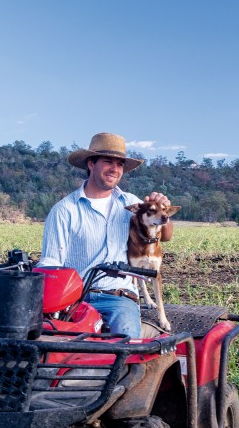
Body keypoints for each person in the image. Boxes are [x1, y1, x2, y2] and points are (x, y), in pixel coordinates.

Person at [38, 132, 173, 337]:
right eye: (108, 161)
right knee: (57, 350)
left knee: (126, 346)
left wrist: (164, 209)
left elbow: (165, 236)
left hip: (119, 298)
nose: (114, 169)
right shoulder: (65, 210)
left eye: (120, 164)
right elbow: (50, 263)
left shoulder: (130, 203)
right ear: (91, 164)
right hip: (76, 299)